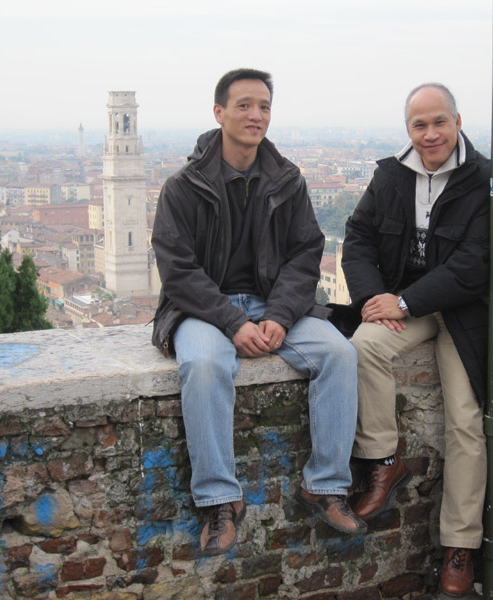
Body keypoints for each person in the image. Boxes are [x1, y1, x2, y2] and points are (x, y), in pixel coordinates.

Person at [151, 68, 366, 556]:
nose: (256, 115)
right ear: (219, 112)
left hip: (273, 303)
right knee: (204, 364)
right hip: (204, 309)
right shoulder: (183, 187)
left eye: (264, 106)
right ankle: (219, 500)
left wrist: (280, 316)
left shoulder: (287, 181)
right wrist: (233, 322)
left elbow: (305, 253)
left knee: (339, 353)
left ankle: (326, 485)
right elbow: (178, 271)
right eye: (244, 105)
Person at [342, 83, 489, 597]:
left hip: (463, 311)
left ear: (458, 122)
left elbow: (474, 264)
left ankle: (460, 546)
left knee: (465, 421)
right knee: (363, 347)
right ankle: (385, 460)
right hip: (406, 301)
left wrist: (403, 303)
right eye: (419, 125)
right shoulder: (391, 176)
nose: (430, 134)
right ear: (408, 129)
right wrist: (373, 298)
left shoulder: (484, 179)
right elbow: (358, 238)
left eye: (439, 122)